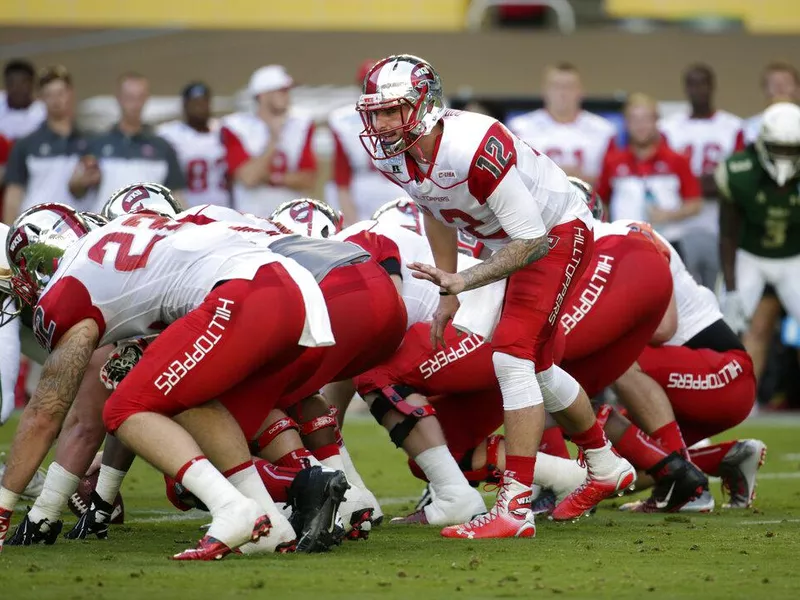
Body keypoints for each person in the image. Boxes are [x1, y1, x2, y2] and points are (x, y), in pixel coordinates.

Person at [356, 54, 635, 539]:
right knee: (538, 367)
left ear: (423, 105)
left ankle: (516, 506)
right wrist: (447, 285)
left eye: (391, 111)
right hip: (506, 243)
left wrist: (467, 280)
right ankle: (606, 463)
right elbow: (435, 209)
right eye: (374, 112)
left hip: (553, 233)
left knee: (511, 356)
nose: (379, 124)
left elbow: (531, 240)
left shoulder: (472, 146)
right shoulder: (391, 153)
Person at [717, 102, 800, 391]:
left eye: (792, 149)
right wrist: (731, 289)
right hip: (749, 254)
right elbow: (727, 233)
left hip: (794, 257)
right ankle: (730, 400)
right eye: (779, 147)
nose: (785, 156)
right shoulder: (739, 172)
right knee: (725, 332)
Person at [659, 64, 745, 288]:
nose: (698, 89)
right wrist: (706, 183)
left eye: (703, 83)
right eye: (692, 84)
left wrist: (691, 185)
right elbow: (667, 181)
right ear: (685, 88)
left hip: (720, 222)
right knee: (683, 287)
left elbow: (737, 180)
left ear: (712, 86)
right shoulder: (669, 128)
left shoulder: (733, 126)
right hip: (679, 224)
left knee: (719, 287)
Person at [597, 93, 702, 254]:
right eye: (634, 120)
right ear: (626, 124)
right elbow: (601, 201)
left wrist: (670, 215)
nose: (641, 126)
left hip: (668, 244)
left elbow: (695, 203)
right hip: (623, 246)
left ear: (656, 121)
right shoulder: (612, 161)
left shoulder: (677, 160)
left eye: (646, 119)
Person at [68, 72, 187, 211]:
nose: (135, 104)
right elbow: (75, 189)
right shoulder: (95, 144)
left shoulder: (163, 147)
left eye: (140, 97)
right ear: (118, 98)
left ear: (146, 98)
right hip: (106, 227)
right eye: (130, 97)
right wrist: (82, 182)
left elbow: (176, 195)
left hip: (150, 227)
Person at [221, 65, 317, 216]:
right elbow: (249, 178)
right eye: (281, 91)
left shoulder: (301, 124)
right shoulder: (236, 127)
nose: (287, 96)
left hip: (292, 218)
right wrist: (273, 141)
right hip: (251, 219)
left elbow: (308, 179)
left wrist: (270, 178)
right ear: (263, 95)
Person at [2, 66, 90, 223]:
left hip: (79, 231)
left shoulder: (91, 142)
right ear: (40, 98)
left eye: (60, 93)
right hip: (36, 229)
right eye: (49, 95)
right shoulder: (25, 144)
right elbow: (13, 195)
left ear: (71, 93)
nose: (56, 100)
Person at [507, 63, 616, 186]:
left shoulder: (603, 130)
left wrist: (579, 179)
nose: (562, 93)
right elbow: (510, 177)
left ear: (581, 91)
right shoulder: (519, 128)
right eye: (556, 86)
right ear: (544, 91)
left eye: (569, 87)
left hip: (585, 201)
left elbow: (612, 182)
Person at [327, 60, 400, 224]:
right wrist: (353, 224)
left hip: (399, 185)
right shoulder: (343, 120)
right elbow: (341, 177)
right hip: (362, 187)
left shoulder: (405, 113)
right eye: (366, 84)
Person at [156, 82, 229, 208]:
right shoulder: (170, 134)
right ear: (185, 105)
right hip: (189, 209)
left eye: (203, 102)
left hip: (224, 209)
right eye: (194, 103)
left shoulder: (224, 130)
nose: (199, 107)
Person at [743, 62, 799, 143]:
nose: (780, 87)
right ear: (764, 90)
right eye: (773, 83)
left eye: (786, 82)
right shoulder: (749, 128)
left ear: (798, 89)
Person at [0, 59, 46, 143]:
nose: (17, 89)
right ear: (5, 84)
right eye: (11, 83)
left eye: (23, 83)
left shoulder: (43, 114)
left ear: (32, 84)